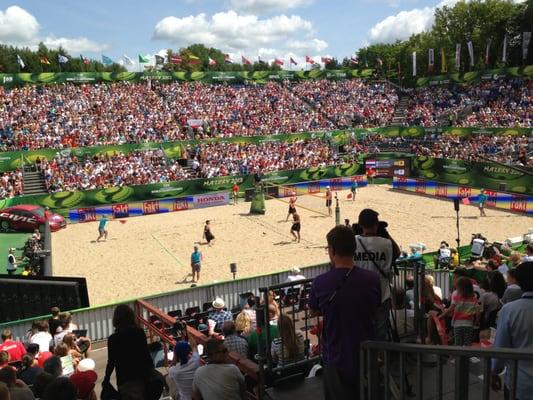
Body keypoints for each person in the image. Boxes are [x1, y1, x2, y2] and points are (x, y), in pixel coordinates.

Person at [309, 225, 381, 399]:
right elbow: (375, 307)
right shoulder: (372, 279)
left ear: (332, 250)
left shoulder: (320, 282)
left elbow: (313, 310)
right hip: (366, 353)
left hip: (336, 355)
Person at [353, 209, 397, 341]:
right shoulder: (386, 243)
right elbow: (397, 252)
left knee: (361, 331)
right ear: (376, 225)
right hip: (381, 294)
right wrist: (385, 233)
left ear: (360, 225)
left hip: (359, 293)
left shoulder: (353, 241)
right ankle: (378, 358)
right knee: (380, 332)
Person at [491, 262, 533, 399]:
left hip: (520, 383)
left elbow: (501, 348)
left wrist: (495, 371)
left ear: (519, 282)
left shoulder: (510, 310)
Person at [102, 304, 154, 400]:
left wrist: (106, 379)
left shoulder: (113, 339)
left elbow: (111, 362)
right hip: (141, 377)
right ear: (131, 316)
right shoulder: (139, 333)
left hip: (124, 381)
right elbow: (146, 355)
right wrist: (152, 372)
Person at [439, 277, 480, 346]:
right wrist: (476, 321)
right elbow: (478, 312)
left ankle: (458, 356)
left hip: (457, 324)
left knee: (458, 343)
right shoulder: (474, 299)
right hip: (469, 324)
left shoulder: (456, 298)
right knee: (467, 343)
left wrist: (441, 315)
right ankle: (466, 356)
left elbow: (450, 309)